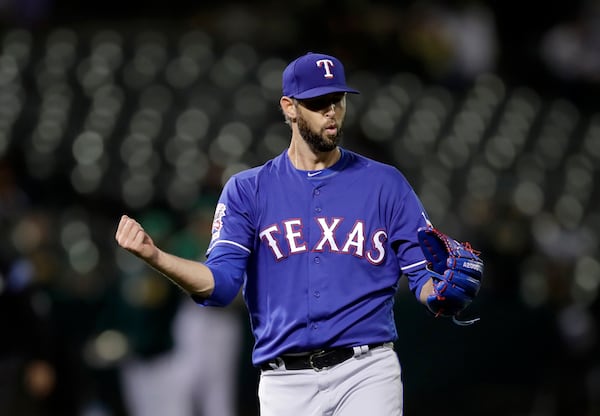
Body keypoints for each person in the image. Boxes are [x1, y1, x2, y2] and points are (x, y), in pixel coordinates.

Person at [115, 52, 482, 416]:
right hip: (284, 382)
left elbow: (423, 279)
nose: (330, 112)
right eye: (317, 102)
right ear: (289, 107)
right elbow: (221, 285)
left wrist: (441, 294)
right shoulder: (248, 190)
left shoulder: (385, 184)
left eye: (337, 100)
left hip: (366, 371)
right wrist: (156, 257)